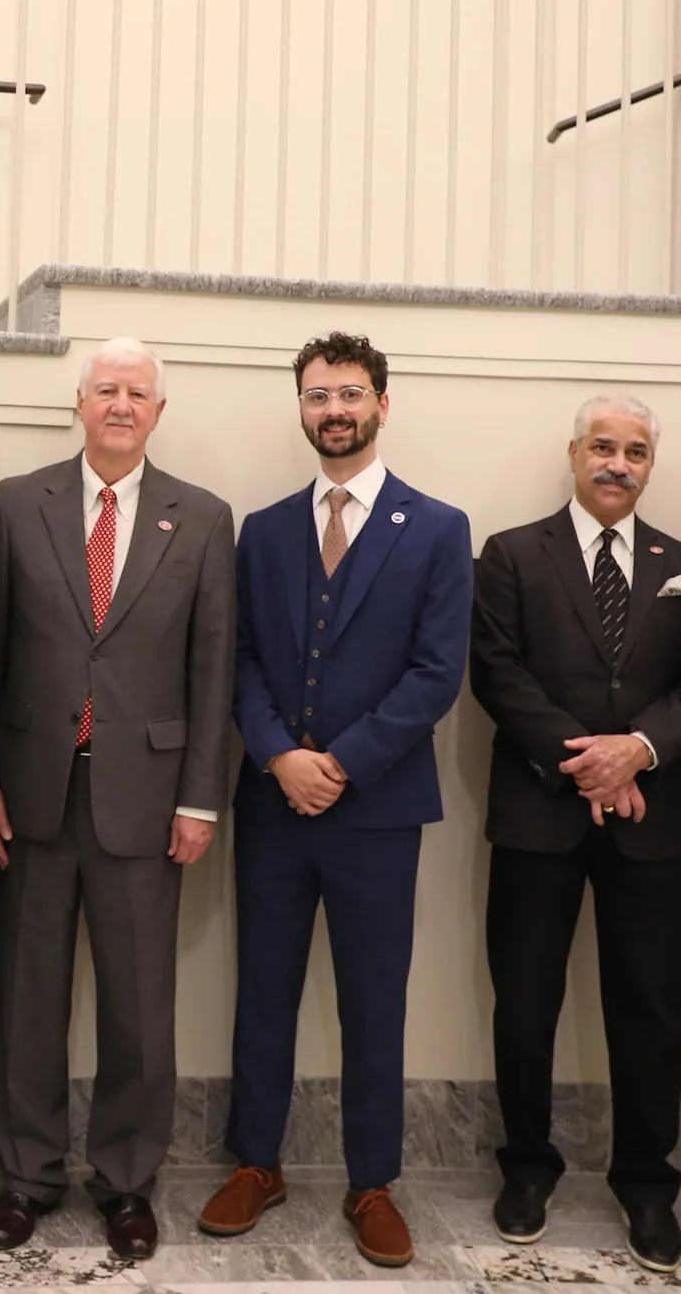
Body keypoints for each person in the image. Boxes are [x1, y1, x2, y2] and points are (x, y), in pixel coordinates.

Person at [200, 332, 472, 1269]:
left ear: (382, 404)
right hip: (274, 805)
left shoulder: (437, 528)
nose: (334, 410)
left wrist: (342, 764)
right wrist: (279, 755)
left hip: (378, 812)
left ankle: (372, 1182)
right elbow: (237, 662)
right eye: (319, 396)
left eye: (350, 394)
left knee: (373, 1002)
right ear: (302, 408)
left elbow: (438, 675)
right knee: (263, 990)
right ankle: (255, 1164)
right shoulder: (264, 529)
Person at [0, 339, 236, 1261]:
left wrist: (201, 799)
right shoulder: (16, 502)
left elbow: (213, 670)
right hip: (34, 792)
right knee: (27, 996)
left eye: (139, 393)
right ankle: (26, 1176)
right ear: (77, 403)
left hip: (148, 795)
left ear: (158, 413)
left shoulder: (201, 518)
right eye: (106, 390)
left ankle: (127, 1182)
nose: (122, 404)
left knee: (138, 1003)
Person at [469, 395, 681, 1271]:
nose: (619, 463)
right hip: (540, 810)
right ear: (573, 453)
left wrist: (638, 753)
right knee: (527, 1000)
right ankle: (527, 1169)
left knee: (650, 1010)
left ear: (651, 465)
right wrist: (585, 764)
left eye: (637, 451)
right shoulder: (509, 555)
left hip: (650, 820)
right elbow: (497, 671)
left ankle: (648, 1186)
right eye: (604, 447)